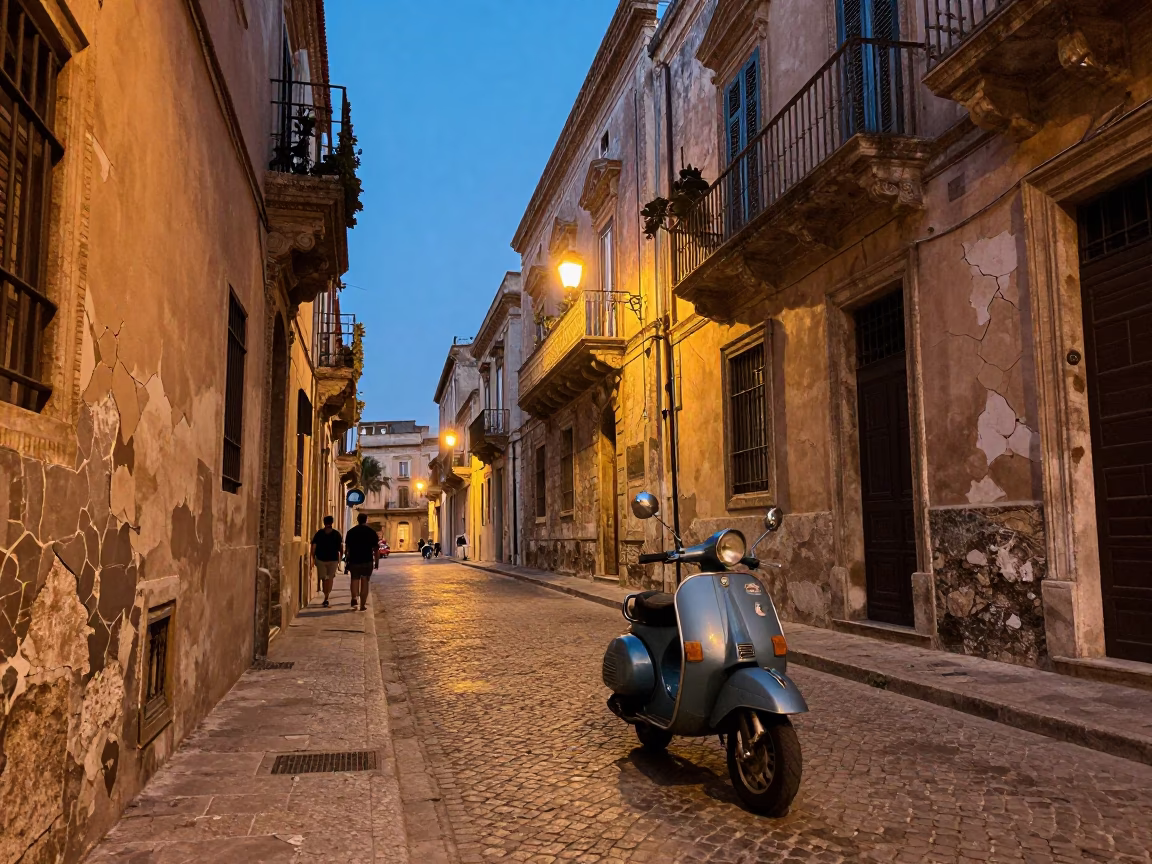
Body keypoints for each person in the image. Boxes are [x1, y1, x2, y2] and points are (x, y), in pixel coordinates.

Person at [344, 513, 379, 610]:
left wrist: (346, 559)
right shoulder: (371, 532)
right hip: (367, 560)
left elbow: (347, 548)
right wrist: (376, 562)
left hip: (354, 560)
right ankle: (362, 605)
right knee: (365, 581)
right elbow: (376, 549)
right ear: (366, 520)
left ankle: (354, 598)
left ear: (357, 520)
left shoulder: (351, 532)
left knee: (354, 579)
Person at [310, 515, 342, 608]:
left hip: (321, 560)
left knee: (324, 579)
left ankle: (326, 597)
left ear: (324, 522)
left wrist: (312, 558)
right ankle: (327, 597)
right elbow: (340, 548)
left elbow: (313, 547)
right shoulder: (336, 534)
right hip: (333, 560)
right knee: (330, 578)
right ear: (332, 522)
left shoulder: (319, 533)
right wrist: (340, 561)